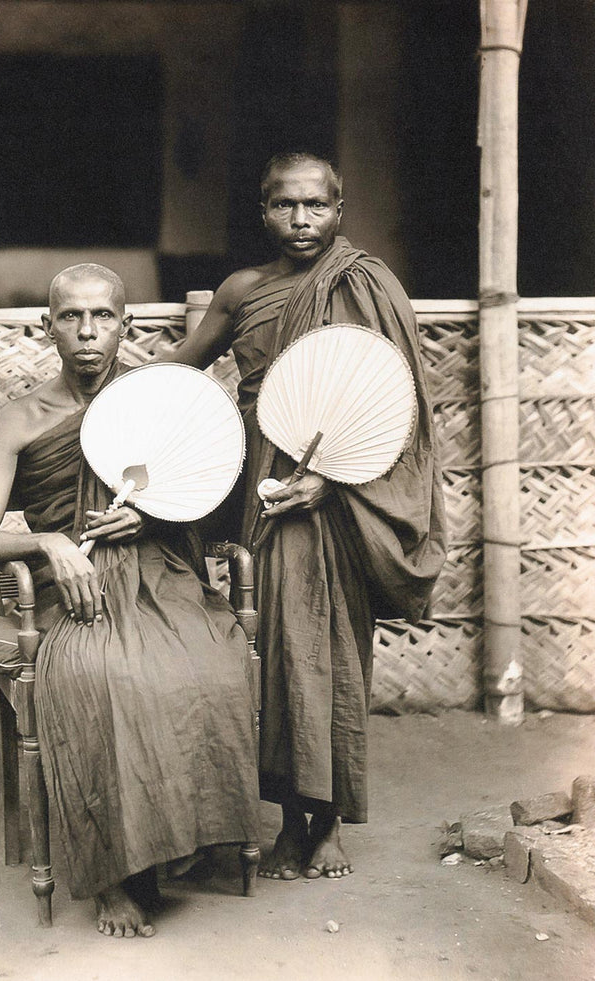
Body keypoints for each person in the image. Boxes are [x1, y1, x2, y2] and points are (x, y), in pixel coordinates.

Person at [166, 152, 447, 881]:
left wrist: (331, 477)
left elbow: (401, 406)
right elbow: (181, 368)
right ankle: (291, 821)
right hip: (267, 485)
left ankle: (328, 826)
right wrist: (108, 396)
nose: (300, 220)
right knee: (282, 653)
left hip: (344, 496)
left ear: (339, 208)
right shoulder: (242, 290)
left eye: (315, 205)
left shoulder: (368, 284)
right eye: (284, 206)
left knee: (334, 651)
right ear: (262, 210)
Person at [0, 263, 259, 937]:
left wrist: (150, 520)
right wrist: (48, 545)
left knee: (210, 662)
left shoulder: (155, 400)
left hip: (160, 571)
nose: (88, 333)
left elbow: (208, 505)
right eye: (71, 317)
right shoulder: (21, 418)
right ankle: (116, 878)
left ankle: (177, 840)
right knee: (101, 676)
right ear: (48, 327)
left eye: (103, 317)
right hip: (75, 587)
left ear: (126, 325)